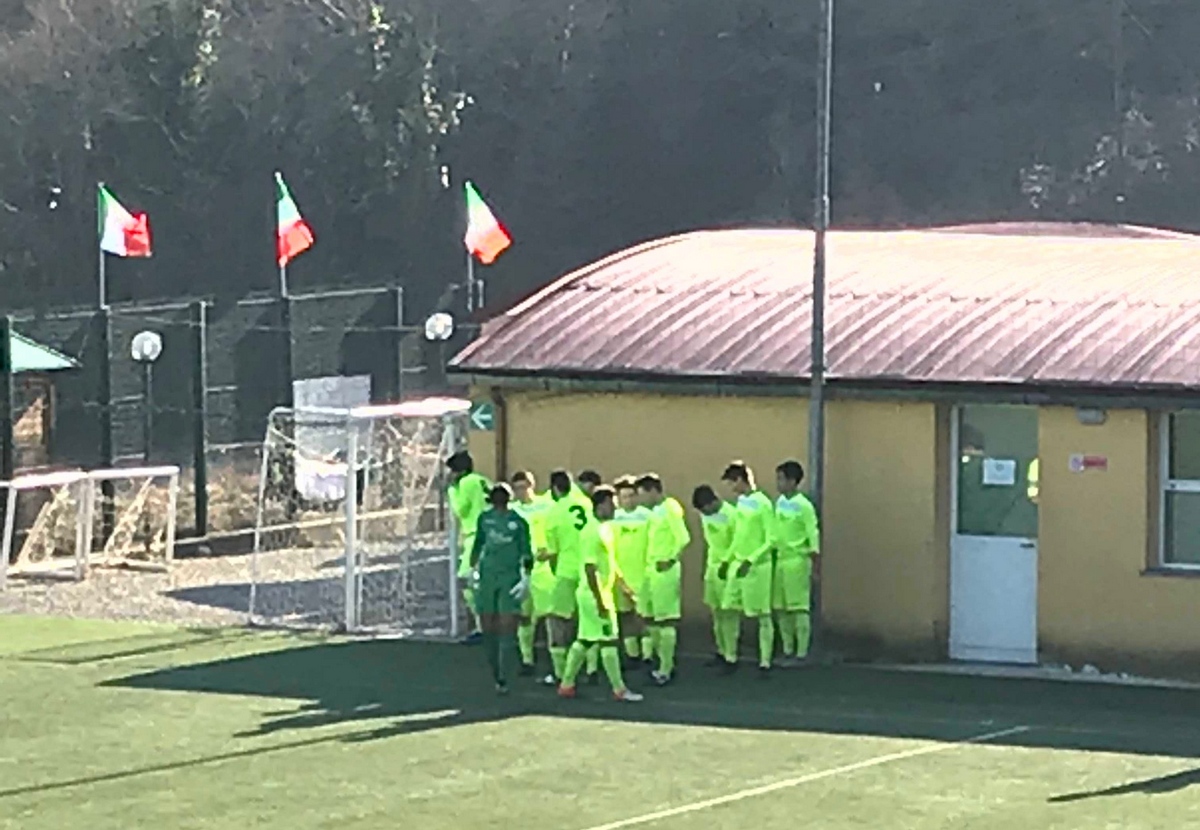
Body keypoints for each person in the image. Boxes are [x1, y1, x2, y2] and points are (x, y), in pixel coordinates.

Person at [557, 486, 643, 702]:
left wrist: (623, 586)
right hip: (594, 595)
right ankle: (619, 689)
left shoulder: (606, 529)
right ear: (601, 505)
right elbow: (590, 568)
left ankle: (566, 685)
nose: (615, 507)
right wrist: (600, 599)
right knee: (609, 642)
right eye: (612, 503)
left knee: (584, 640)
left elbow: (610, 562)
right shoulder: (591, 532)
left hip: (597, 594)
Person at [469, 483, 533, 694]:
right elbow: (478, 545)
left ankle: (505, 673)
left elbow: (526, 552)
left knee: (506, 626)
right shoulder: (484, 519)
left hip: (509, 578)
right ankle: (496, 673)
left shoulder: (518, 523)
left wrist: (525, 578)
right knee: (488, 626)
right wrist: (473, 570)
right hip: (488, 577)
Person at [721, 462, 775, 675]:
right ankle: (730, 657)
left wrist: (751, 560)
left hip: (758, 567)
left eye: (733, 483)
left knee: (762, 615)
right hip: (738, 564)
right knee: (729, 610)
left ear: (741, 480)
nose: (732, 489)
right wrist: (727, 559)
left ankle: (765, 662)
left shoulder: (763, 503)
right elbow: (739, 535)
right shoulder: (741, 503)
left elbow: (771, 539)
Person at [637, 473, 690, 686]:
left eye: (643, 495)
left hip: (665, 571)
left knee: (666, 619)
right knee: (650, 619)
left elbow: (683, 537)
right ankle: (658, 661)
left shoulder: (671, 508)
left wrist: (670, 559)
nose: (642, 500)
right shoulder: (654, 512)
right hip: (650, 569)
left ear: (653, 491)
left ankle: (667, 668)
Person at [543, 469, 594, 685]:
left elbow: (552, 553)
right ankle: (592, 668)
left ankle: (560, 672)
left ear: (554, 488)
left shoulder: (554, 512)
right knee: (588, 621)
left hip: (566, 571)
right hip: (589, 570)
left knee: (557, 621)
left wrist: (556, 571)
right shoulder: (587, 503)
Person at [773, 461, 820, 666]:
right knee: (781, 607)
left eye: (781, 479)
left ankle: (802, 653)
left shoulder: (804, 505)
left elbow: (812, 532)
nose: (778, 483)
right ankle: (787, 648)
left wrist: (814, 560)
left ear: (793, 481)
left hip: (797, 560)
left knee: (798, 607)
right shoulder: (780, 502)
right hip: (780, 559)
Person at [511, 470, 556, 675]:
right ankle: (527, 659)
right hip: (519, 568)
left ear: (532, 485)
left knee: (548, 614)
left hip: (543, 568)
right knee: (523, 615)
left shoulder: (547, 507)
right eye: (517, 489)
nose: (521, 492)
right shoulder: (511, 510)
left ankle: (553, 658)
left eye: (524, 487)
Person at [693, 484, 739, 668]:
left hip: (727, 568)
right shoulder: (706, 515)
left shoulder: (732, 515)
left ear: (713, 501)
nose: (705, 514)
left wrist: (727, 563)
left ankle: (731, 656)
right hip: (712, 567)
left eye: (706, 509)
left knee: (729, 614)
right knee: (716, 613)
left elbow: (737, 542)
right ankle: (720, 650)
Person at [447, 451, 490, 644]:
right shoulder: (482, 480)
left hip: (476, 537)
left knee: (467, 582)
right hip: (492, 535)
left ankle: (483, 628)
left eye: (453, 471)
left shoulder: (465, 483)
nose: (451, 475)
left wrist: (451, 491)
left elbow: (461, 510)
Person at [612, 476, 652, 665]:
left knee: (644, 617)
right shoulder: (614, 518)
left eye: (631, 495)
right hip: (620, 576)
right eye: (624, 496)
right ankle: (632, 654)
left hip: (642, 575)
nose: (628, 500)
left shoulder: (647, 517)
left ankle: (647, 655)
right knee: (625, 616)